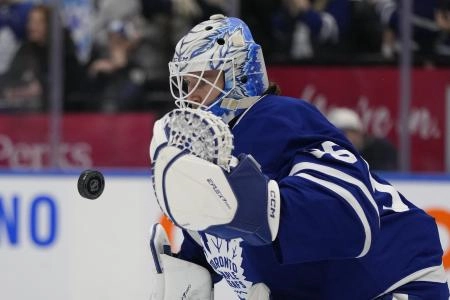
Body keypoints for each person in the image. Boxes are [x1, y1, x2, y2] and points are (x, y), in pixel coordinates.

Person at [148, 14, 448, 299]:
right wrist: (187, 269)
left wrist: (261, 207)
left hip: (396, 281)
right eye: (187, 83)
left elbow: (352, 214)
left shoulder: (276, 118)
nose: (191, 96)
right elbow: (212, 235)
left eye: (203, 80)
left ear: (239, 73)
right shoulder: (208, 153)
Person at [327, 107, 398, 171]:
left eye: (353, 132)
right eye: (343, 133)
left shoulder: (381, 151)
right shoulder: (326, 156)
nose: (350, 137)